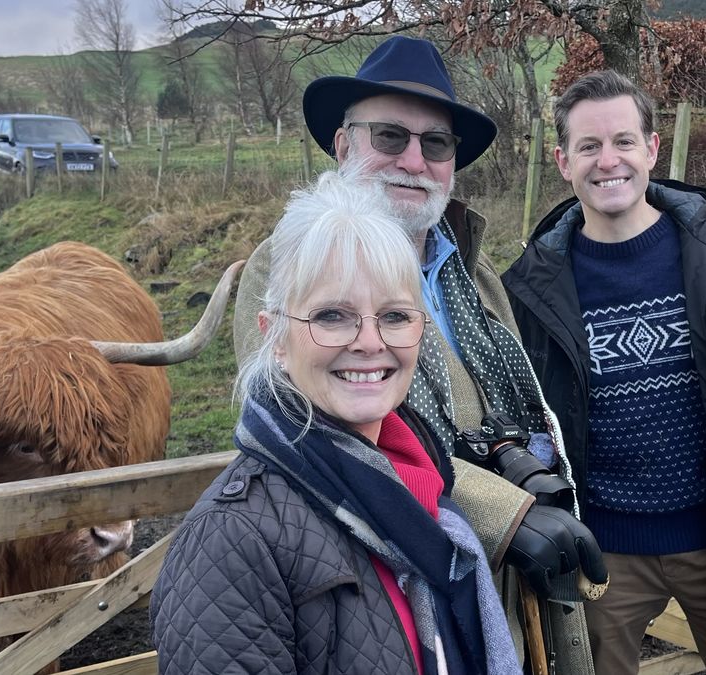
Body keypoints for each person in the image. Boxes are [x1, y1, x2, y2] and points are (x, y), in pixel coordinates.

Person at [231, 35, 607, 671]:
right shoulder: (288, 267)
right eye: (389, 137)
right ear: (343, 145)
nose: (414, 159)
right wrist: (505, 515)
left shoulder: (475, 273)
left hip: (509, 580)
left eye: (435, 143)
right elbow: (313, 434)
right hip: (385, 587)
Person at [502, 69, 706, 675]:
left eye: (623, 141)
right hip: (602, 551)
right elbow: (520, 413)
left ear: (652, 148)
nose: (607, 160)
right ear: (563, 162)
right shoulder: (529, 288)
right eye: (588, 147)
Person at [152, 171, 522, 674]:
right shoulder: (230, 542)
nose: (370, 342)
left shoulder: (422, 481)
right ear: (275, 338)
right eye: (331, 316)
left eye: (394, 316)